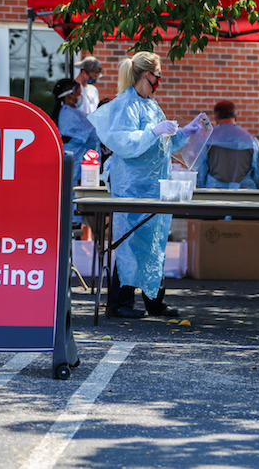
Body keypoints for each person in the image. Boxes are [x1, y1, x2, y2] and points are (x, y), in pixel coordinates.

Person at [86, 51, 205, 319]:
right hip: (132, 184)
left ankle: (154, 301)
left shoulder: (151, 105)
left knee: (153, 240)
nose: (160, 79)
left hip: (153, 184)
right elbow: (122, 141)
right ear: (146, 74)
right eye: (157, 74)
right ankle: (120, 304)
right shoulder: (125, 104)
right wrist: (152, 132)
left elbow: (164, 143)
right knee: (129, 240)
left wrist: (185, 132)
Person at [51, 78, 100, 223]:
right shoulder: (69, 115)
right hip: (75, 163)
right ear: (68, 96)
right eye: (78, 94)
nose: (80, 98)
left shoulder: (69, 113)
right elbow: (94, 131)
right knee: (73, 197)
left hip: (76, 163)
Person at [197, 100, 259, 189]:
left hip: (214, 194)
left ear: (216, 118)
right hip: (246, 195)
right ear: (236, 116)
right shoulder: (252, 141)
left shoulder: (207, 140)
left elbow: (200, 174)